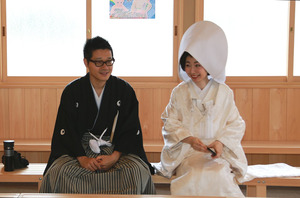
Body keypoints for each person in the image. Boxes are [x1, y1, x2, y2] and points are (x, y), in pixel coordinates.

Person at [40, 36, 155, 194]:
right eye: (98, 62)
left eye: (109, 61)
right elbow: (65, 129)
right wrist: (83, 159)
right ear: (86, 62)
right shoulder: (72, 91)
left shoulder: (124, 90)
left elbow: (131, 128)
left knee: (135, 172)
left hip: (115, 148)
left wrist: (114, 157)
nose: (105, 67)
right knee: (59, 173)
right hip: (79, 149)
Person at [153, 21, 248, 197]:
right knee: (194, 175)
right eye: (187, 64)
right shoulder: (179, 92)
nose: (192, 70)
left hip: (217, 154)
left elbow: (236, 124)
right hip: (189, 152)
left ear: (208, 63)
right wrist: (189, 139)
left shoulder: (224, 92)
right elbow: (169, 122)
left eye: (198, 64)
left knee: (219, 175)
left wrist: (220, 143)